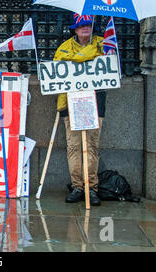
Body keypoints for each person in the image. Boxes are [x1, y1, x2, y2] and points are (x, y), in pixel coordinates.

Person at [53, 13, 106, 206]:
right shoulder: (64, 48)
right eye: (81, 25)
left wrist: (79, 58)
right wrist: (85, 56)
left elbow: (110, 64)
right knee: (74, 146)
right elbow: (58, 67)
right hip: (70, 102)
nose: (85, 28)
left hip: (95, 102)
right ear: (74, 29)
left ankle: (91, 188)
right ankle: (77, 186)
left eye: (88, 24)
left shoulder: (103, 44)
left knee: (91, 146)